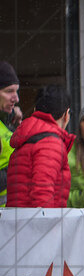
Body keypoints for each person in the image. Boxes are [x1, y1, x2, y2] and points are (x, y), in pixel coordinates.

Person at [6, 85, 74, 208]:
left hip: (18, 217)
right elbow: (43, 196)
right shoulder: (50, 143)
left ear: (35, 110)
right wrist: (48, 220)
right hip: (35, 220)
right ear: (66, 114)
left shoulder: (26, 138)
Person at [0, 61, 22, 207]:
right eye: (9, 91)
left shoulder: (5, 124)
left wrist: (11, 123)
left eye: (16, 91)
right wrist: (19, 166)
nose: (16, 98)